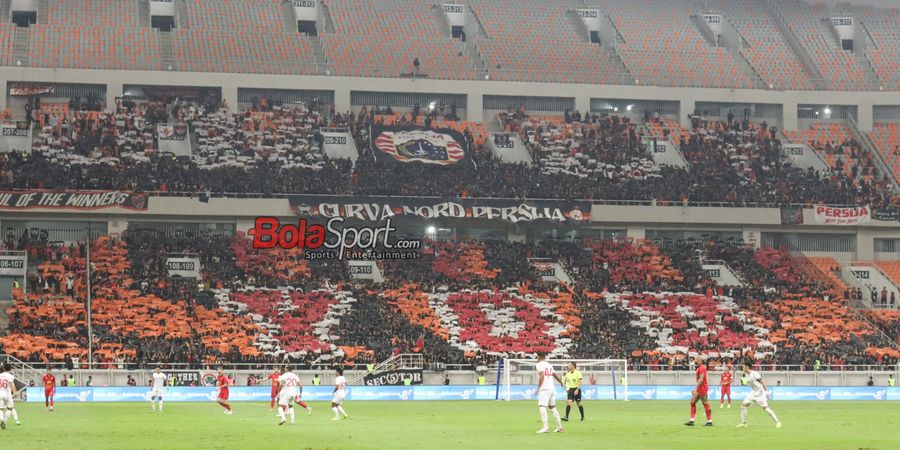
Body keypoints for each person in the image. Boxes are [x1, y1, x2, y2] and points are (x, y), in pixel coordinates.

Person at [737, 361, 781, 428]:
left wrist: (766, 391)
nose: (742, 368)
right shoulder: (746, 375)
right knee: (743, 405)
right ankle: (744, 423)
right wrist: (742, 379)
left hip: (760, 393)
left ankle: (778, 422)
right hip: (753, 392)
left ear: (747, 367)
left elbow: (763, 381)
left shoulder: (754, 373)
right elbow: (744, 383)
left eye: (743, 367)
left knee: (765, 408)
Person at [535, 353, 564, 434]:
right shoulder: (549, 365)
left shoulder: (539, 365)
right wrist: (561, 382)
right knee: (552, 407)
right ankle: (559, 427)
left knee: (542, 406)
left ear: (539, 357)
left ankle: (545, 428)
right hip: (552, 389)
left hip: (545, 389)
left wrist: (538, 388)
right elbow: (554, 374)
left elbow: (542, 375)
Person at [684, 355, 712, 427]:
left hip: (702, 388)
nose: (694, 360)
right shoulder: (699, 368)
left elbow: (701, 379)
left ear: (699, 360)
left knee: (705, 403)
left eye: (695, 359)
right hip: (699, 388)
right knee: (692, 402)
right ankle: (692, 420)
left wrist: (695, 389)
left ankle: (709, 421)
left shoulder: (702, 367)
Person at [0, 364, 19, 429]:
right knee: (10, 408)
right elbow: (11, 383)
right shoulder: (10, 376)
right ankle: (4, 421)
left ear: (4, 369)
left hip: (0, 393)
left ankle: (1, 419)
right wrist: (15, 392)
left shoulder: (0, 375)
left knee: (1, 409)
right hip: (7, 394)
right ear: (10, 369)